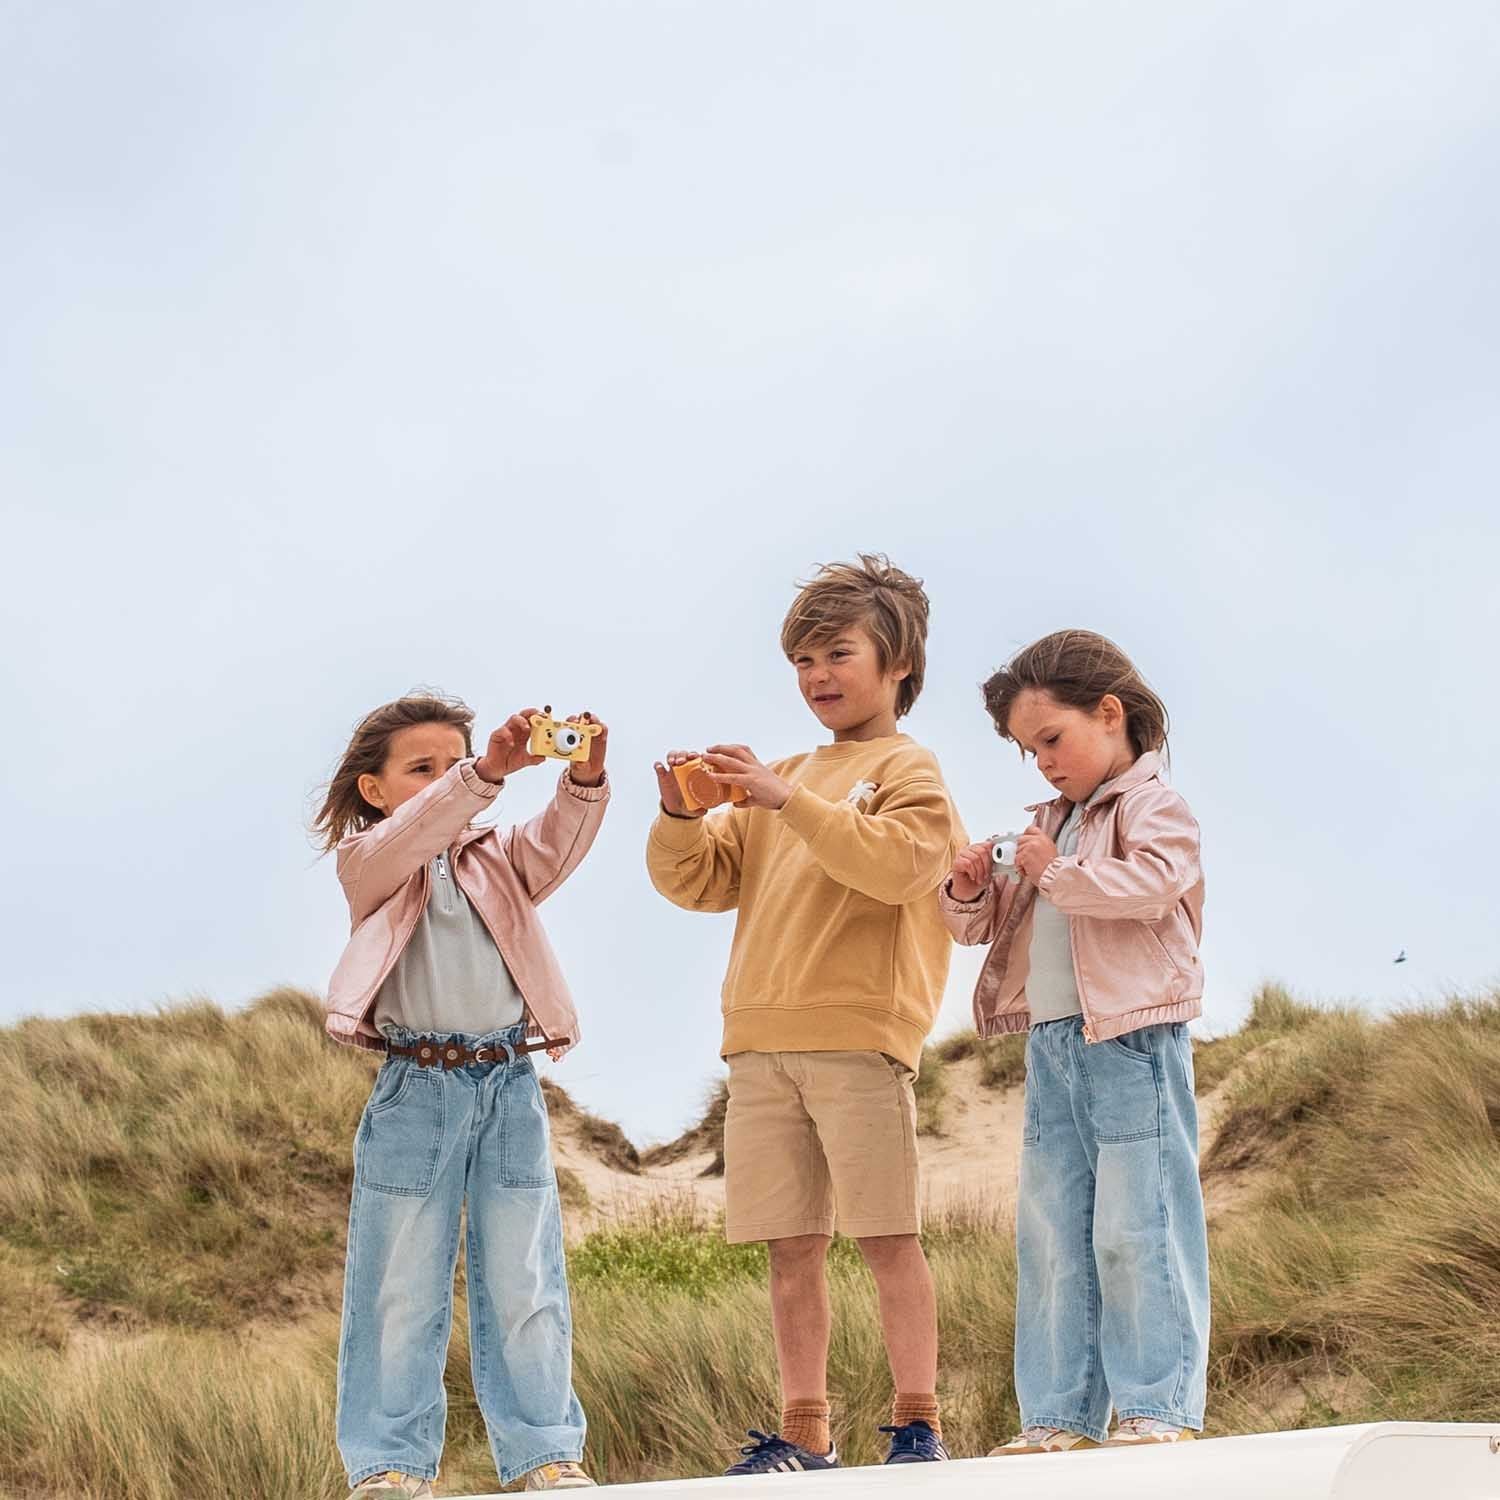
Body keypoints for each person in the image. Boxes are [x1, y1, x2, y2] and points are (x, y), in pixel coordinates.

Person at [647, 555, 965, 1473]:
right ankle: (804, 1434)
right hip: (758, 1045)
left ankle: (919, 1426)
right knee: (791, 1250)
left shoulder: (909, 768)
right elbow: (697, 882)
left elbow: (900, 866)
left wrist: (788, 799)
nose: (817, 676)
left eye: (838, 654)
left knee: (887, 1238)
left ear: (899, 662)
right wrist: (678, 815)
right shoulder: (778, 777)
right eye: (802, 660)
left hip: (860, 1039)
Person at [316, 694, 609, 1497]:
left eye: (455, 762)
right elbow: (415, 834)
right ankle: (389, 1464)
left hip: (509, 1084)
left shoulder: (500, 856)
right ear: (374, 789)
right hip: (415, 1090)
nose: (445, 779)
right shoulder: (368, 860)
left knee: (526, 1278)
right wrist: (480, 773)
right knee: (399, 1284)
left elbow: (560, 843)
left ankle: (547, 1455)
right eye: (423, 768)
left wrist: (584, 779)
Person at [942, 629, 1208, 1454]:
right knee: (1055, 1232)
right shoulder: (1049, 823)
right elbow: (978, 930)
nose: (1044, 763)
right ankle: (1058, 1415)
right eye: (1030, 751)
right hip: (1053, 1042)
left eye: (1052, 739)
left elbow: (1152, 885)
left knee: (1140, 1225)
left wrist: (1051, 870)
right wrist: (968, 888)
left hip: (1132, 1039)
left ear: (1109, 713)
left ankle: (1157, 1406)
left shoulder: (1154, 805)